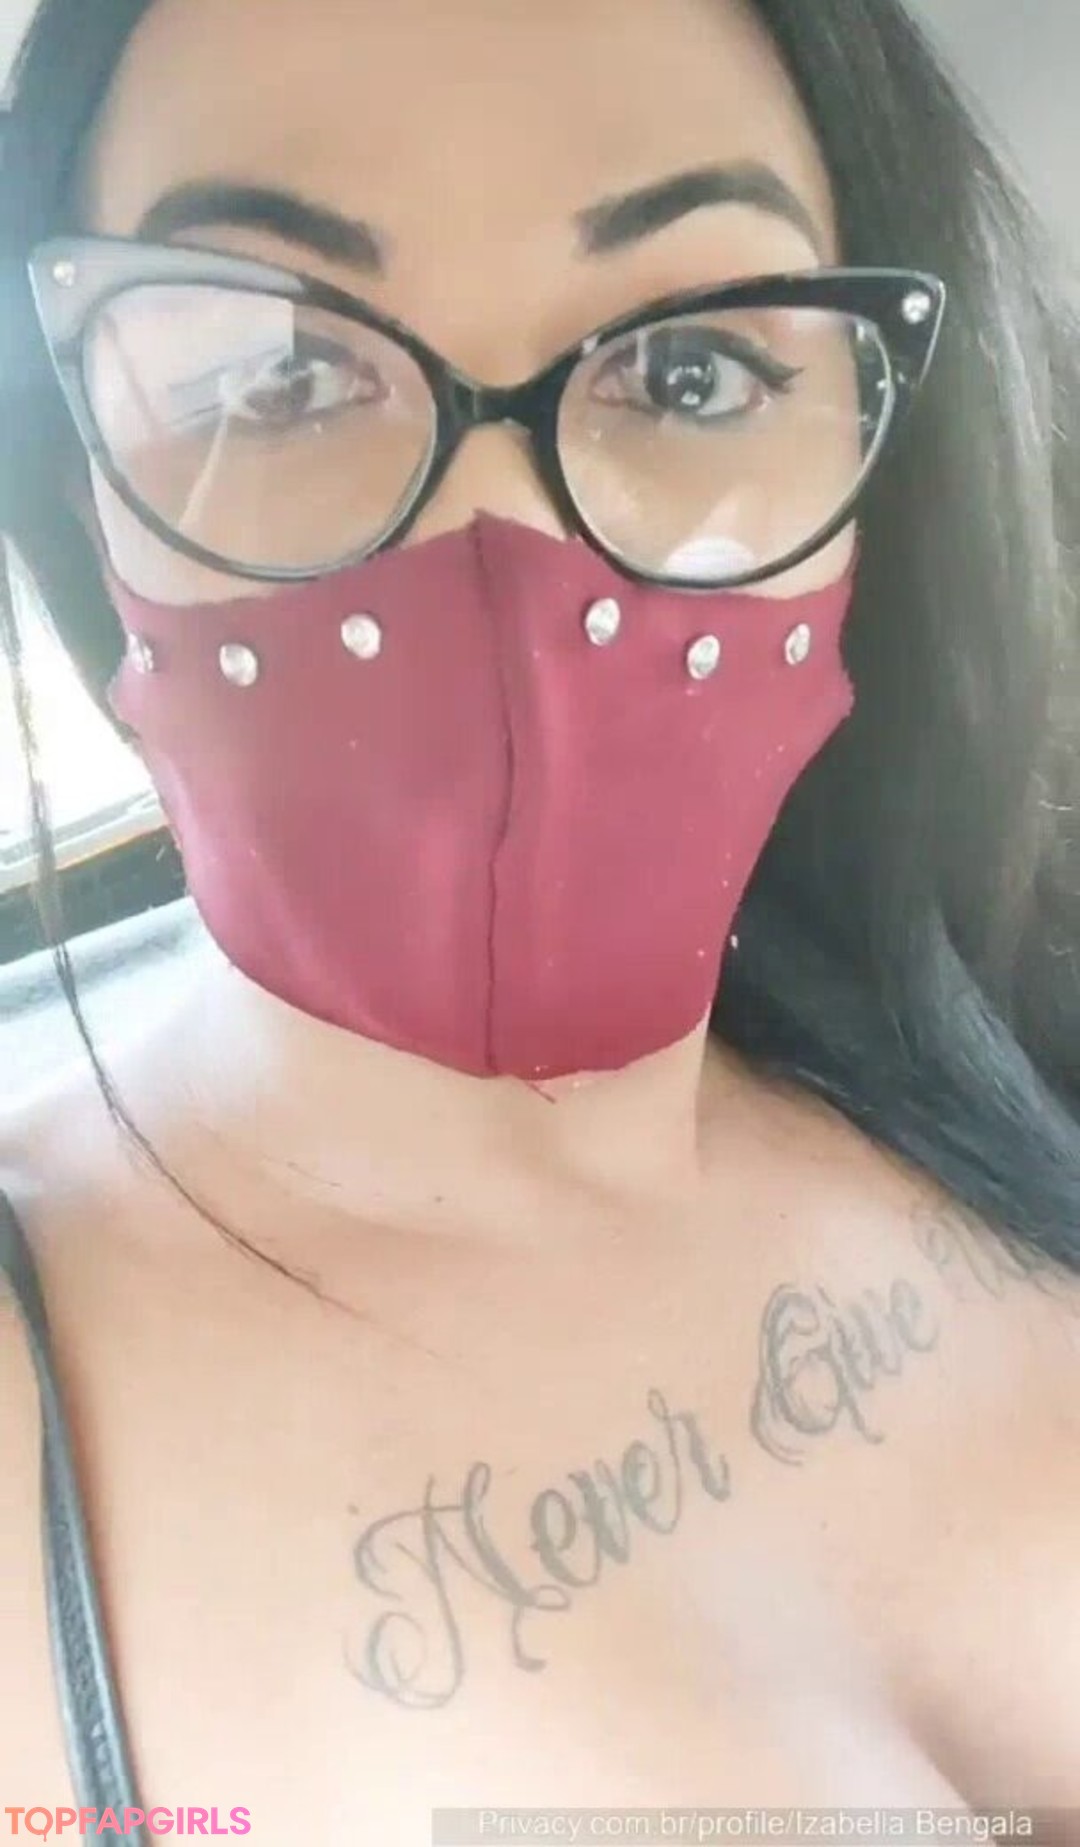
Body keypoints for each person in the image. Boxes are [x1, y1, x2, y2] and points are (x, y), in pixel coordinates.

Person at [1, 0, 1079, 1836]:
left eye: (692, 372)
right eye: (273, 375)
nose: (501, 534)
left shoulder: (1008, 981)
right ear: (76, 473)